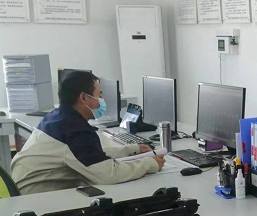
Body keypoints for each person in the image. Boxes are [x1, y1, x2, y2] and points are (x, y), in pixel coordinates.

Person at [11, 71, 164, 194]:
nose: (101, 100)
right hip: (37, 197)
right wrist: (150, 163)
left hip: (25, 187)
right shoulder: (74, 130)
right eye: (99, 95)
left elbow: (88, 155)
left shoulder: (58, 117)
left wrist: (132, 150)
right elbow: (108, 175)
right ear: (84, 97)